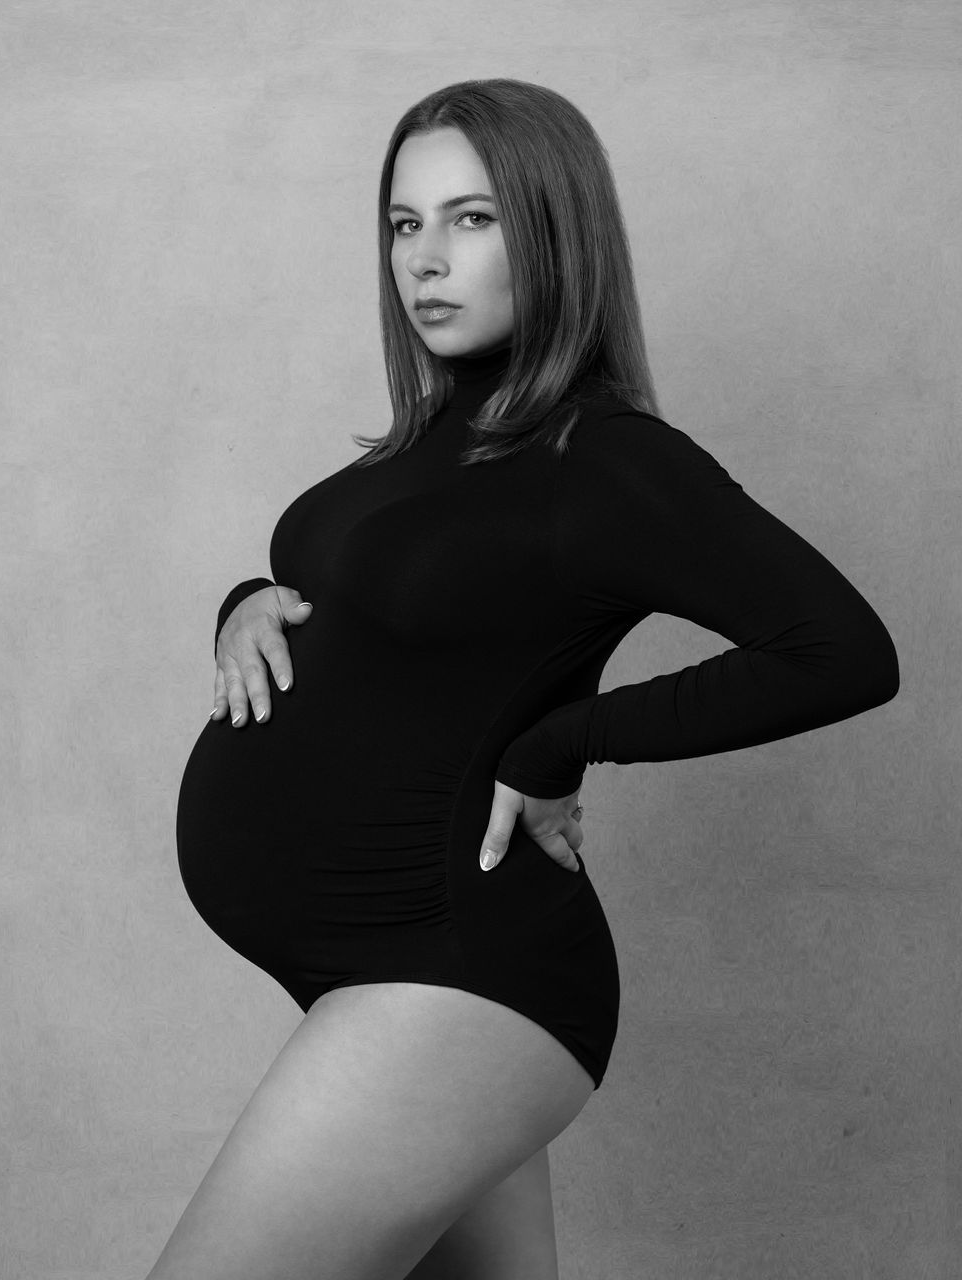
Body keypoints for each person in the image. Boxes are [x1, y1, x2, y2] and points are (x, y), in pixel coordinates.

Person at [152, 78, 900, 1280]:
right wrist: (242, 603)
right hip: (381, 964)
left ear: (551, 233)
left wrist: (561, 740)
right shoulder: (428, 437)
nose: (425, 260)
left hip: (454, 964)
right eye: (404, 224)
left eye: (472, 219)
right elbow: (364, 595)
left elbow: (841, 650)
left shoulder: (607, 460)